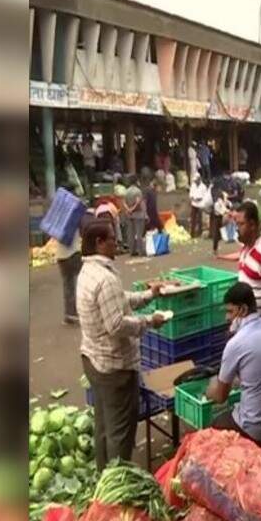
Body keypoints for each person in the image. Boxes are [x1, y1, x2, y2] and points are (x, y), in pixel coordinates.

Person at [77, 220, 166, 469]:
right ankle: (117, 484)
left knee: (104, 425)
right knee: (121, 430)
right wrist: (149, 321)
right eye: (113, 239)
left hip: (94, 360)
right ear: (99, 243)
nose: (117, 243)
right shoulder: (105, 278)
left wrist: (149, 295)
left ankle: (103, 475)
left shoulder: (88, 271)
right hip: (114, 366)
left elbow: (118, 300)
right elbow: (116, 325)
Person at [207, 281, 261, 453]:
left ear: (242, 310)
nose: (227, 318)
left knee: (216, 423)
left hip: (254, 426)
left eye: (230, 311)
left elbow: (220, 396)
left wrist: (209, 391)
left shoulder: (236, 343)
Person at [123, 177, 146, 256]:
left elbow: (124, 203)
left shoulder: (126, 191)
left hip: (129, 215)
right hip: (138, 214)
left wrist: (128, 210)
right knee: (139, 233)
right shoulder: (138, 191)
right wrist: (132, 209)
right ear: (136, 182)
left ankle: (132, 251)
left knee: (130, 233)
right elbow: (138, 202)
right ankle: (140, 251)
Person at [189, 174, 212, 238]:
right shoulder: (193, 185)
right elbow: (191, 194)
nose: (195, 181)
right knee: (193, 219)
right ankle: (192, 233)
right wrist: (193, 198)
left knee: (200, 219)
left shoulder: (203, 187)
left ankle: (199, 233)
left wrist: (199, 198)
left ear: (199, 179)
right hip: (194, 203)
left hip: (200, 204)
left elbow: (205, 196)